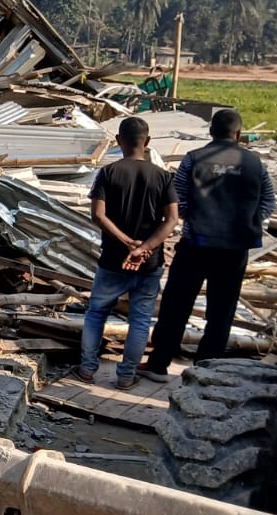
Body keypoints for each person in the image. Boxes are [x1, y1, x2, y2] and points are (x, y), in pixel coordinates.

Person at [141, 109, 276, 381]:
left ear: (211, 131)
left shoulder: (193, 159)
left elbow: (178, 201)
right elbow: (268, 203)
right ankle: (206, 370)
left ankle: (159, 363)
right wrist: (245, 223)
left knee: (176, 305)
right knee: (221, 312)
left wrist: (196, 220)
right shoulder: (255, 164)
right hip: (235, 249)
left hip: (196, 244)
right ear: (239, 134)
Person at [77, 117, 179, 389]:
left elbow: (98, 215)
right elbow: (172, 219)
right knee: (140, 320)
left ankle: (87, 369)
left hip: (112, 260)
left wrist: (126, 242)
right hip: (149, 262)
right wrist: (144, 247)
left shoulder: (108, 173)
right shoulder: (163, 176)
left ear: (118, 141)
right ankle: (125, 376)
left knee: (96, 312)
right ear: (147, 141)